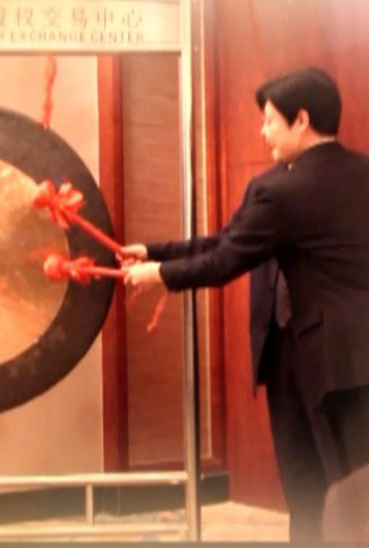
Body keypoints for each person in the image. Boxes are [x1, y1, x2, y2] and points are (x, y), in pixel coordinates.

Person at [123, 67, 369, 540]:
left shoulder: (283, 192)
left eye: (270, 120)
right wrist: (155, 252)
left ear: (301, 120)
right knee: (349, 487)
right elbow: (227, 241)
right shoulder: (354, 174)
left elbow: (225, 260)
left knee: (317, 488)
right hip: (324, 355)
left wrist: (158, 275)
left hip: (326, 362)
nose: (263, 132)